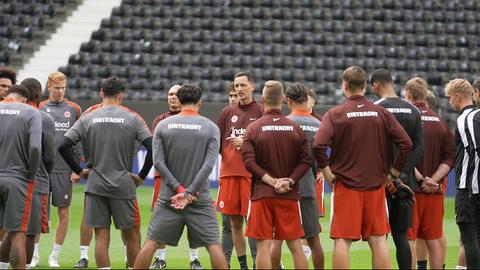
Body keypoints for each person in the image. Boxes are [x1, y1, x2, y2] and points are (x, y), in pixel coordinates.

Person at [313, 66, 414, 269]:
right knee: (378, 239)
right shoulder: (381, 113)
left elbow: (318, 145)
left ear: (345, 86)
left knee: (342, 239)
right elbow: (406, 144)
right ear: (365, 86)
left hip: (346, 186)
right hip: (376, 185)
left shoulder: (335, 114)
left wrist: (327, 172)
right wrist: (393, 173)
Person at [58, 76, 153, 268]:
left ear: (101, 93)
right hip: (123, 184)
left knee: (101, 237)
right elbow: (153, 147)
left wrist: (81, 171)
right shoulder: (132, 118)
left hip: (95, 184)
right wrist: (141, 176)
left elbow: (63, 145)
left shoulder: (88, 118)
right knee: (132, 236)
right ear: (121, 96)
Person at [133, 84, 227, 269]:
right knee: (214, 246)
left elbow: (158, 162)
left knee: (150, 244)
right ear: (200, 102)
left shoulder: (163, 125)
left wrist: (179, 189)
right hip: (199, 198)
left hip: (169, 197)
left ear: (180, 100)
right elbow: (209, 165)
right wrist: (189, 192)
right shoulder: (211, 128)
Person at [242, 80, 310, 269]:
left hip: (262, 195)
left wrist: (272, 182)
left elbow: (249, 162)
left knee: (263, 245)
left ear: (262, 99)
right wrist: (289, 180)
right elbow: (306, 160)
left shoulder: (253, 128)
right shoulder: (295, 128)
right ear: (283, 100)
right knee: (296, 246)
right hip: (288, 194)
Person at [371, 70, 425, 269]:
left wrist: (391, 176)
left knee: (379, 237)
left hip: (381, 181)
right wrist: (402, 174)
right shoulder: (413, 110)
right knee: (401, 236)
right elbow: (419, 147)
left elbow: (372, 147)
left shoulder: (375, 108)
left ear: (376, 85)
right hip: (406, 183)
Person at [400, 77, 454, 269]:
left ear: (408, 94)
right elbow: (450, 158)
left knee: (409, 238)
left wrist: (421, 179)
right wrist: (434, 180)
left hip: (412, 190)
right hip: (435, 190)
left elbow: (403, 154)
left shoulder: (408, 119)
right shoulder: (442, 123)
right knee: (434, 238)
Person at [270, 82, 324, 269]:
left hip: (283, 188)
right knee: (313, 239)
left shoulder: (283, 124)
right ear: (307, 99)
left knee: (276, 239)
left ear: (289, 101)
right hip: (308, 187)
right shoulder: (320, 125)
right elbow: (322, 161)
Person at [149, 84, 203, 270]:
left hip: (189, 176)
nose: (173, 97)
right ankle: (160, 258)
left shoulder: (197, 120)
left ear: (182, 98)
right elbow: (156, 153)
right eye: (170, 94)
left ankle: (194, 259)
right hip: (163, 178)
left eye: (176, 94)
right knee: (161, 219)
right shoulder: (159, 121)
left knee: (193, 219)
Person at [216, 71, 262, 269]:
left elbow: (268, 143)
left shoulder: (261, 111)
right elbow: (218, 142)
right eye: (236, 86)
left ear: (252, 86)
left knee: (253, 223)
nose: (239, 89)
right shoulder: (227, 113)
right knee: (234, 223)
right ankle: (242, 265)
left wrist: (246, 143)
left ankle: (256, 264)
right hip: (229, 174)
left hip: (251, 176)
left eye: (243, 85)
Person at [37, 71, 82, 267]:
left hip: (65, 170)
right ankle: (34, 254)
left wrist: (76, 168)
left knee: (63, 212)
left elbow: (80, 138)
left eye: (63, 88)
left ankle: (54, 255)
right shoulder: (39, 108)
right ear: (49, 87)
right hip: (42, 170)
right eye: (57, 88)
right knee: (38, 213)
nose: (60, 91)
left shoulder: (74, 109)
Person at [0, 85, 42, 269]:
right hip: (17, 179)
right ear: (25, 99)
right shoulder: (31, 113)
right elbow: (34, 148)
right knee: (17, 234)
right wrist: (31, 174)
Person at [444, 78, 479, 269]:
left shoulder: (466, 118)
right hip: (473, 186)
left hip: (468, 189)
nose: (450, 102)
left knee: (468, 238)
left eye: (450, 98)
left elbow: (476, 149)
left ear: (457, 96)